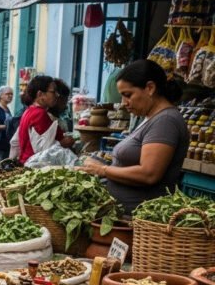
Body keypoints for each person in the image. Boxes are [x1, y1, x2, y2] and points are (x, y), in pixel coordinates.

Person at [79, 59, 188, 214]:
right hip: (124, 215)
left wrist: (102, 170)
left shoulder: (166, 121)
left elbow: (149, 173)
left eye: (128, 95)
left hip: (139, 219)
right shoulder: (150, 118)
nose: (124, 103)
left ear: (150, 88)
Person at [17, 75, 74, 164]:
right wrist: (63, 143)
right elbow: (44, 149)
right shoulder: (39, 114)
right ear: (40, 94)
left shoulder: (30, 111)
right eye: (53, 92)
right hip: (35, 165)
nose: (57, 95)